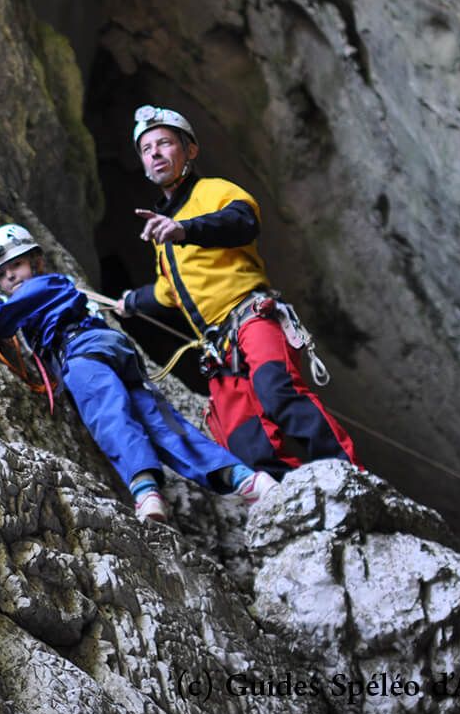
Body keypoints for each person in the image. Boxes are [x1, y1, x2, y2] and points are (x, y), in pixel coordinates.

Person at [0, 224, 275, 522]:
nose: (10, 275)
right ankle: (245, 480)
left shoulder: (41, 285)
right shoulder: (50, 289)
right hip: (112, 349)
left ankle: (146, 490)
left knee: (109, 411)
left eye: (15, 265)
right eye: (1, 274)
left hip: (82, 353)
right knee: (161, 423)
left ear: (37, 262)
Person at [121, 105, 360, 477]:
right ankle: (289, 495)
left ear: (190, 150)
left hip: (250, 316)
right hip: (218, 346)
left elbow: (242, 222)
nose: (154, 152)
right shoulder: (161, 233)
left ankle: (350, 474)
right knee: (242, 436)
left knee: (277, 391)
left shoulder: (212, 191)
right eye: (147, 148)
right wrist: (130, 302)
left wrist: (185, 230)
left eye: (165, 143)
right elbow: (169, 292)